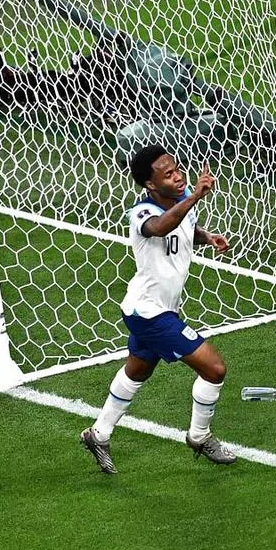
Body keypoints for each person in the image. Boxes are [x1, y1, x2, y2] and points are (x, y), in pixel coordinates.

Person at [81, 145, 237, 473]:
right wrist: (195, 196)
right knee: (215, 369)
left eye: (177, 169)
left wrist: (207, 237)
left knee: (137, 371)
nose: (178, 177)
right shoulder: (141, 213)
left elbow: (184, 225)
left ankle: (98, 434)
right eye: (168, 174)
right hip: (149, 313)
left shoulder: (182, 202)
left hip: (162, 308)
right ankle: (199, 436)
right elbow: (162, 227)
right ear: (151, 184)